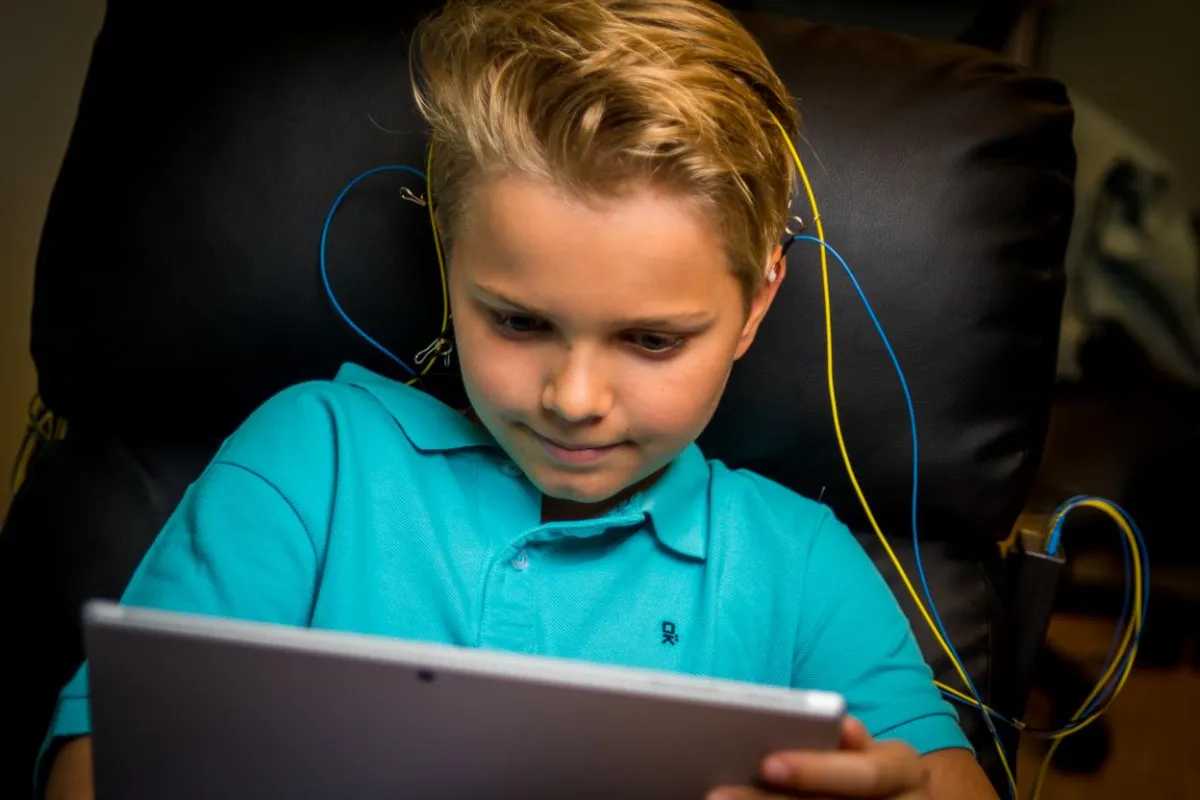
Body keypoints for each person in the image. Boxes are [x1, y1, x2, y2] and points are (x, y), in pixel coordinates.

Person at [41, 1, 998, 798]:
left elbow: (938, 783)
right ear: (452, 262)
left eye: (653, 340)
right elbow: (96, 768)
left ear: (755, 304)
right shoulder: (314, 464)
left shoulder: (797, 566)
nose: (574, 400)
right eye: (518, 323)